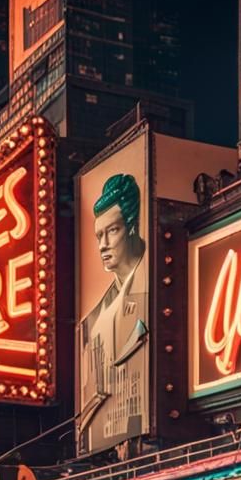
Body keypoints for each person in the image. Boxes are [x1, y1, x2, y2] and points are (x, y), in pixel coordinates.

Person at [79, 172, 149, 449]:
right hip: (110, 433)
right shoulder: (93, 319)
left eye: (112, 231)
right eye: (99, 235)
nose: (103, 245)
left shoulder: (152, 285)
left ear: (131, 227)